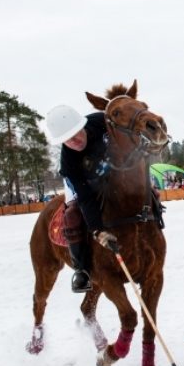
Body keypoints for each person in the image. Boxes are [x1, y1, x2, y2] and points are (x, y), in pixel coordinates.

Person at [44, 105, 118, 293]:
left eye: (76, 133)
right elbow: (85, 198)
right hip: (84, 182)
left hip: (113, 170)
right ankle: (82, 269)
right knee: (72, 214)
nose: (74, 141)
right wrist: (97, 230)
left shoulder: (102, 121)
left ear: (83, 125)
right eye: (66, 139)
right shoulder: (68, 160)